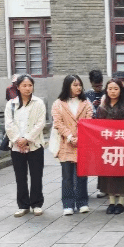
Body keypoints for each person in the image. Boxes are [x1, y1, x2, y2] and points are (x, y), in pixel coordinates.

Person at [4, 74, 46, 218]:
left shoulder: (39, 103)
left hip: (35, 145)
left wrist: (27, 139)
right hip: (17, 147)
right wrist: (18, 140)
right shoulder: (11, 104)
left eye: (30, 85)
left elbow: (40, 123)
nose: (28, 88)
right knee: (20, 177)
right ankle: (23, 205)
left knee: (36, 176)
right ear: (18, 87)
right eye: (24, 85)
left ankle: (36, 204)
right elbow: (9, 125)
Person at [52, 75, 94, 216]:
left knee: (82, 175)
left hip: (83, 143)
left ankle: (82, 202)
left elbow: (89, 120)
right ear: (67, 86)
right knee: (67, 176)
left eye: (80, 85)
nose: (78, 88)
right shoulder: (58, 103)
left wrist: (80, 137)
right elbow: (58, 123)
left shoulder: (86, 103)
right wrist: (70, 137)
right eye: (75, 85)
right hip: (66, 143)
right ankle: (68, 204)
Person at [95, 78, 124, 214]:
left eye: (116, 89)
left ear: (121, 90)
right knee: (109, 174)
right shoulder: (102, 107)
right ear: (106, 90)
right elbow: (97, 127)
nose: (112, 91)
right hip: (107, 146)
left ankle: (121, 202)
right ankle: (111, 202)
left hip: (123, 146)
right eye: (110, 89)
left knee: (121, 174)